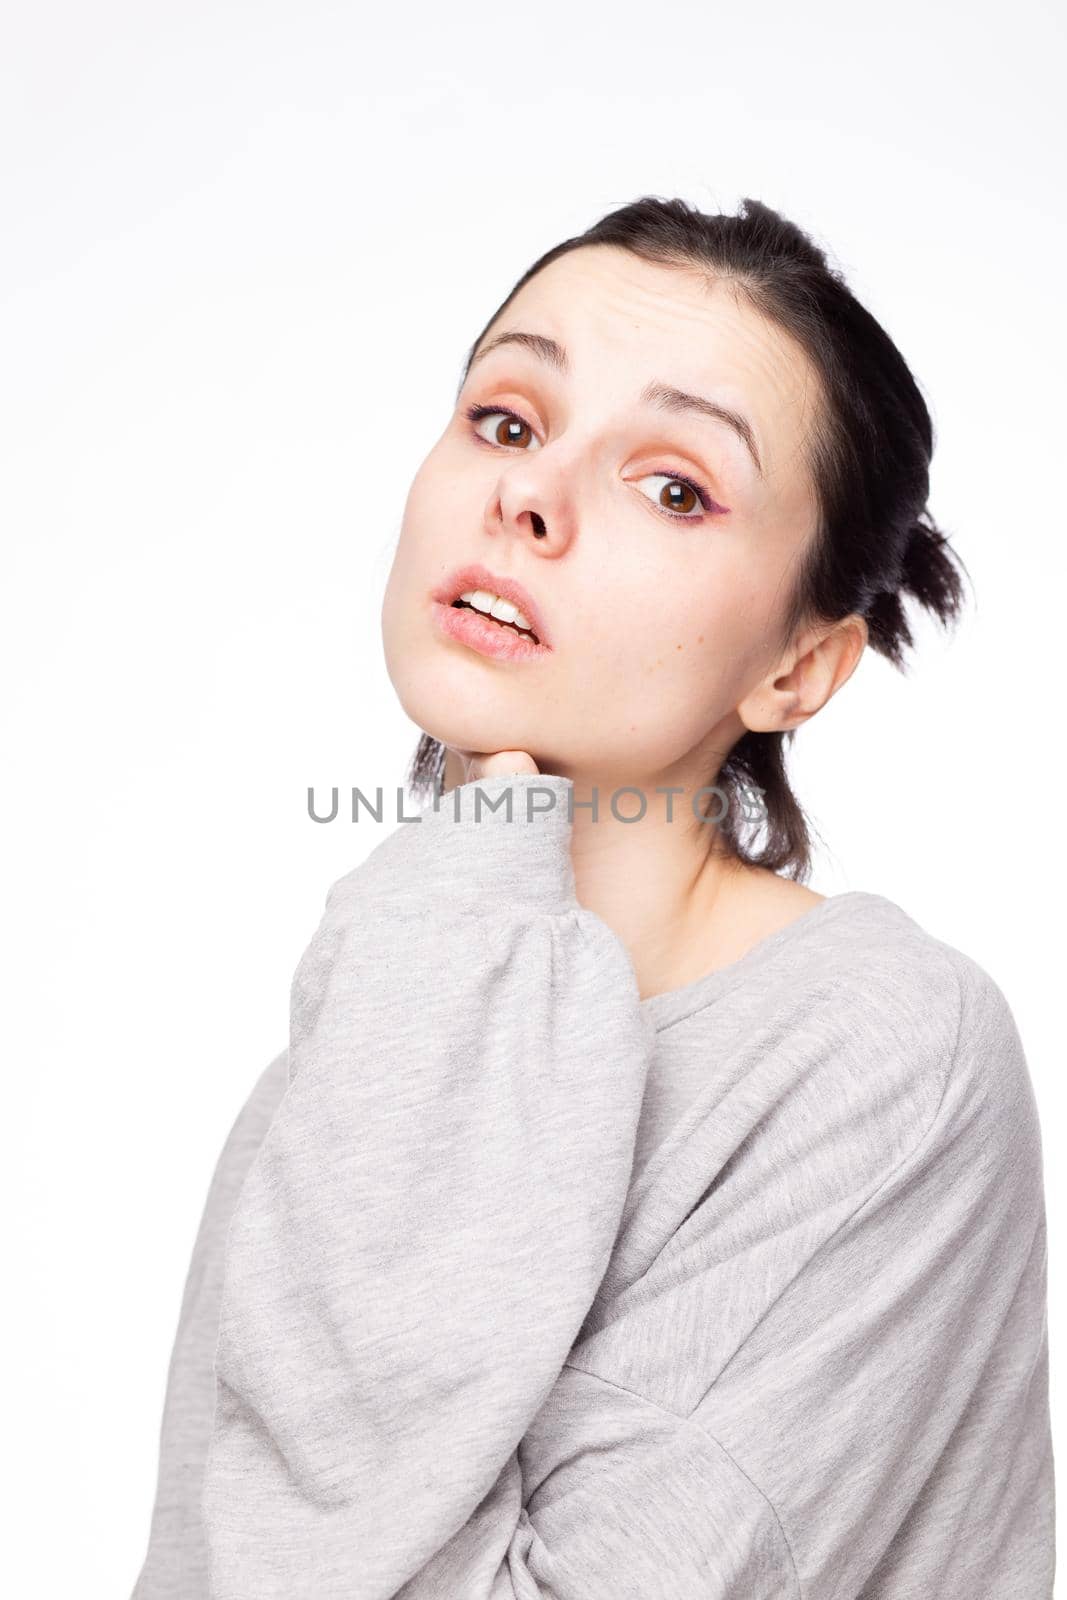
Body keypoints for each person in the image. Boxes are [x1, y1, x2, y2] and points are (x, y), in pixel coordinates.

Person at [130, 195, 1055, 1598]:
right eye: (507, 419)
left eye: (675, 485)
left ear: (797, 669)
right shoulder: (393, 1013)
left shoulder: (883, 1058)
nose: (529, 495)